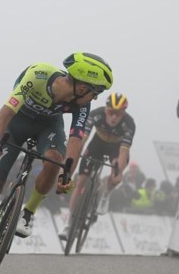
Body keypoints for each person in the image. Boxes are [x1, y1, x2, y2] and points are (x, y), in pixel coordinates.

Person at [0, 52, 114, 274]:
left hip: (48, 128)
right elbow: (6, 113)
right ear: (82, 87)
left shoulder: (81, 106)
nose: (94, 99)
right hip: (16, 124)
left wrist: (67, 174)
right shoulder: (38, 74)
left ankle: (28, 213)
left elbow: (76, 140)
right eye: (95, 93)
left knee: (56, 159)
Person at [57, 92, 135, 240]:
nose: (113, 117)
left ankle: (106, 193)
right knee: (80, 182)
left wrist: (118, 172)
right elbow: (82, 141)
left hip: (116, 149)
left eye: (118, 114)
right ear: (106, 110)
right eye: (111, 112)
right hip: (96, 145)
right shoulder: (96, 114)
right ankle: (69, 223)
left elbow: (124, 151)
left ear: (123, 113)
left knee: (117, 168)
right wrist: (70, 166)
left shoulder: (129, 124)